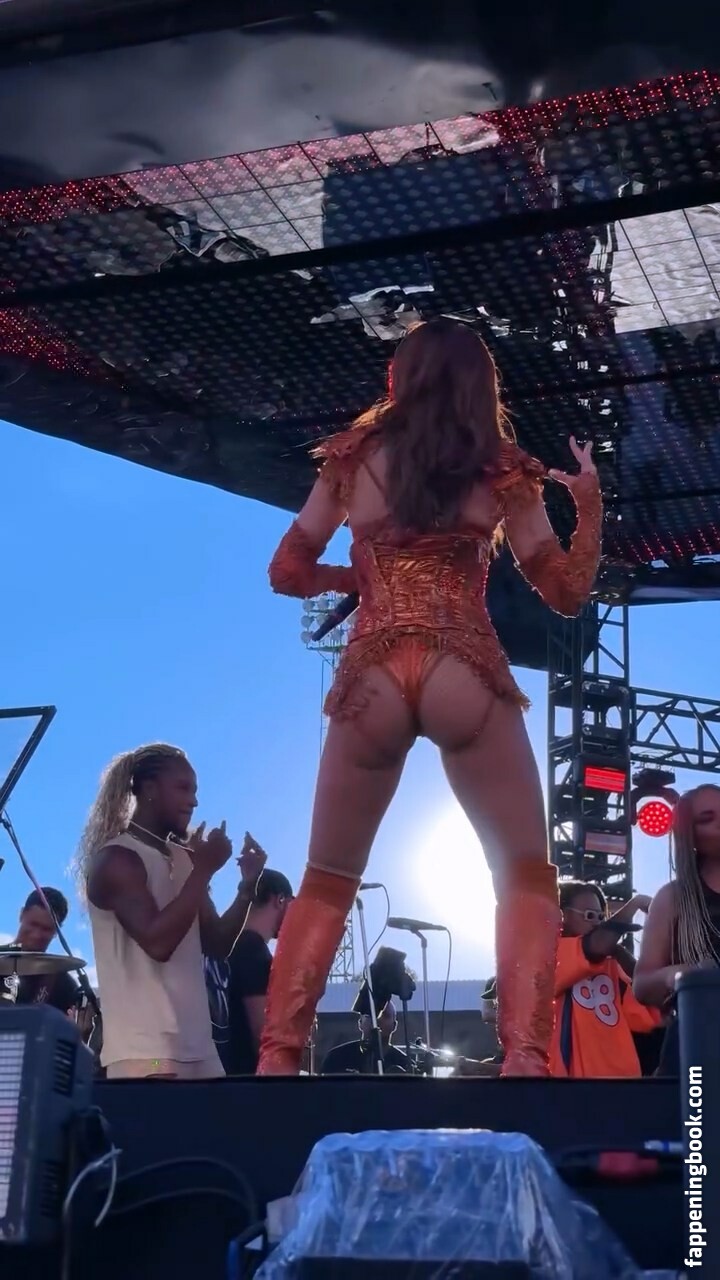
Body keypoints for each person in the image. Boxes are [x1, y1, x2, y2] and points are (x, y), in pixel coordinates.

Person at [259, 318, 602, 1077]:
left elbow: (287, 570)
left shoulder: (351, 459)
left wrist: (358, 579)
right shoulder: (503, 468)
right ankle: (525, 1059)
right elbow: (566, 591)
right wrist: (589, 506)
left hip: (372, 671)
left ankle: (278, 1059)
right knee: (524, 873)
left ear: (400, 377)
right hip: (462, 665)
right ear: (483, 385)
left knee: (327, 877)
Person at [75, 743, 266, 1079]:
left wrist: (247, 886)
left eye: (195, 791)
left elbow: (218, 943)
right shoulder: (117, 858)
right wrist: (204, 870)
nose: (194, 801)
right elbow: (157, 942)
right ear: (149, 790)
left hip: (200, 1051)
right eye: (183, 788)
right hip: (146, 1059)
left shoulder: (184, 858)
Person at [634, 783, 720, 1075]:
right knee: (696, 1105)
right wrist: (681, 975)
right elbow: (642, 985)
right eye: (707, 818)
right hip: (697, 1045)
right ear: (690, 836)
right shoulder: (672, 898)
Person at [550, 881, 660, 1077]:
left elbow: (647, 1018)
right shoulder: (549, 956)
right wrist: (634, 905)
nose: (597, 923)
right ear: (562, 916)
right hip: (569, 1084)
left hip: (621, 1082)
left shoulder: (612, 966)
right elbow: (596, 946)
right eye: (589, 915)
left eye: (601, 917)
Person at [205, 867, 293, 1074]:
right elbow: (263, 1035)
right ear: (280, 900)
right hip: (247, 1079)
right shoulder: (256, 954)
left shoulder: (225, 947)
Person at [0, 887, 80, 1013]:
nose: (37, 935)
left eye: (46, 929)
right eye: (33, 924)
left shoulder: (64, 985)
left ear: (57, 931)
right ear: (21, 914)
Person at [321, 1000, 408, 1074]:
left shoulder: (404, 1063)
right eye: (370, 1015)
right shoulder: (336, 1058)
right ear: (360, 1023)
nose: (377, 1020)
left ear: (394, 1026)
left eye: (385, 1015)